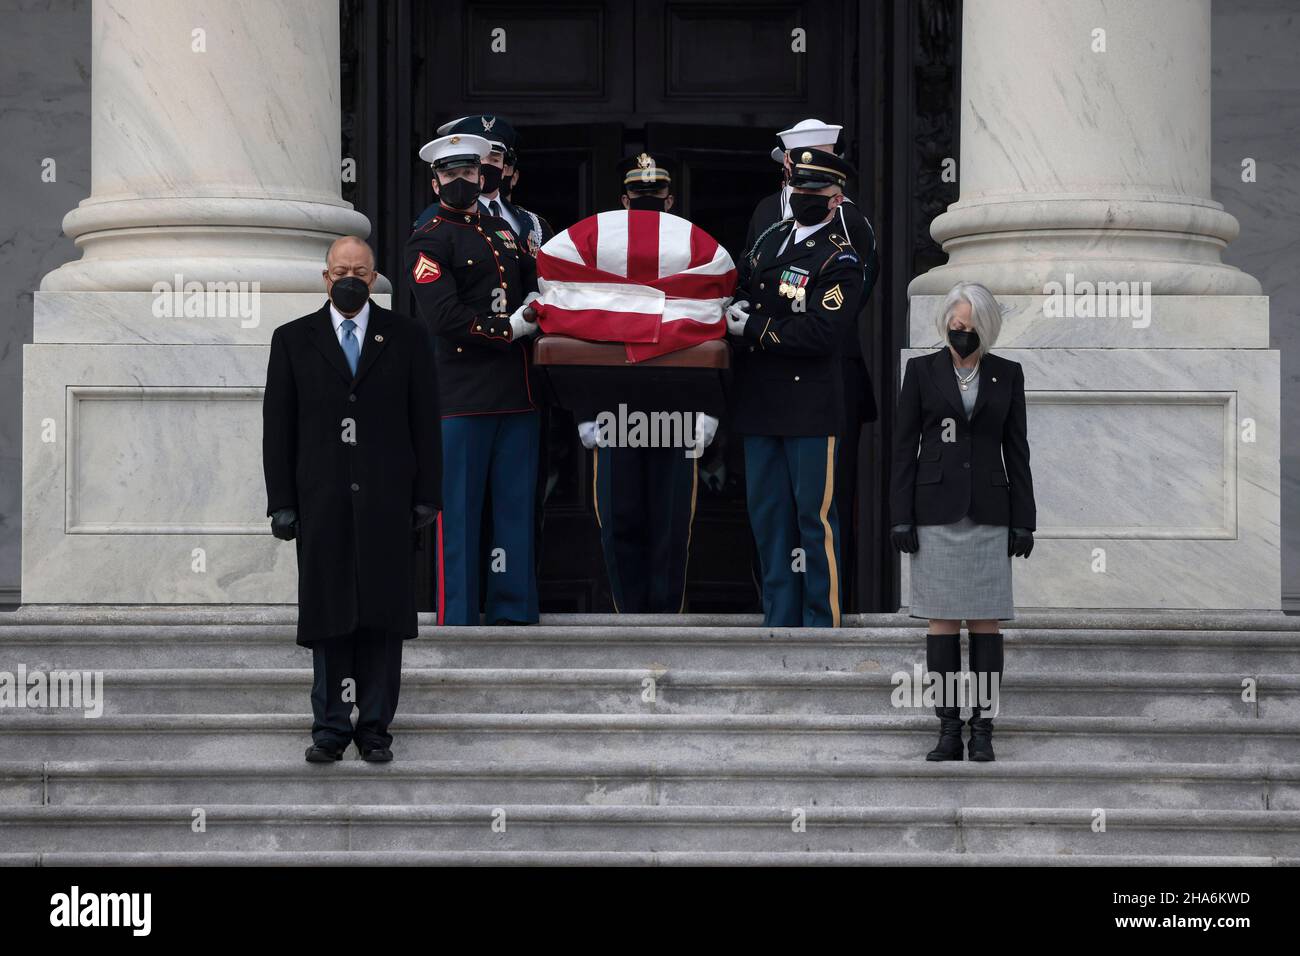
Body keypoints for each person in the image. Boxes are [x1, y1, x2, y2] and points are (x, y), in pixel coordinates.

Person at [262, 236, 441, 763]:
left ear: (374, 278)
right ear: (325, 277)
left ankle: (376, 728)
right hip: (322, 500)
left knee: (383, 616)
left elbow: (426, 420)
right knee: (329, 611)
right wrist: (281, 501)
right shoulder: (293, 339)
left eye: (360, 271)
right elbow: (279, 427)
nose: (349, 278)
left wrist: (427, 494)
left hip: (389, 499)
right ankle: (331, 727)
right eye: (341, 269)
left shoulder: (406, 336)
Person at [890, 280, 1036, 762]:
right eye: (956, 327)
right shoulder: (921, 371)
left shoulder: (1007, 375)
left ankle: (984, 728)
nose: (962, 335)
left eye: (971, 328)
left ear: (986, 329)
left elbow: (1017, 451)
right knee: (942, 624)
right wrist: (900, 516)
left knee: (987, 625)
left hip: (990, 513)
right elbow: (903, 449)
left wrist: (1024, 520)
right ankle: (949, 729)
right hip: (934, 513)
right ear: (945, 326)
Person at [405, 132, 541, 626]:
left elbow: (531, 278)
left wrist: (540, 299)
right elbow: (443, 317)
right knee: (458, 515)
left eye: (468, 173)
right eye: (450, 174)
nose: (460, 181)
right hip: (461, 396)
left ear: (483, 175)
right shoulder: (429, 238)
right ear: (436, 179)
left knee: (515, 509)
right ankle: (458, 617)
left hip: (516, 390)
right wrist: (510, 327)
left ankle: (513, 611)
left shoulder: (502, 231)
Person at [726, 148, 865, 627]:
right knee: (769, 521)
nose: (806, 196)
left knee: (814, 520)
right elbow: (744, 285)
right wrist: (736, 313)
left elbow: (824, 332)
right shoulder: (770, 239)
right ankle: (779, 618)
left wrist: (755, 329)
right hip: (760, 401)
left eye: (817, 190)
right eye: (800, 188)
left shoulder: (840, 256)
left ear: (836, 199)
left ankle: (820, 622)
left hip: (808, 406)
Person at [577, 154, 717, 612]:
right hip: (616, 410)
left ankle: (667, 621)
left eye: (655, 199)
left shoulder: (696, 254)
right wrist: (585, 410)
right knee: (620, 520)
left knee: (672, 523)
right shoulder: (603, 258)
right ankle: (628, 619)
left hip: (676, 410)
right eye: (639, 200)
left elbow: (713, 322)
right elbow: (581, 324)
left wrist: (709, 409)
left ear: (671, 201)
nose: (647, 206)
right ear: (623, 202)